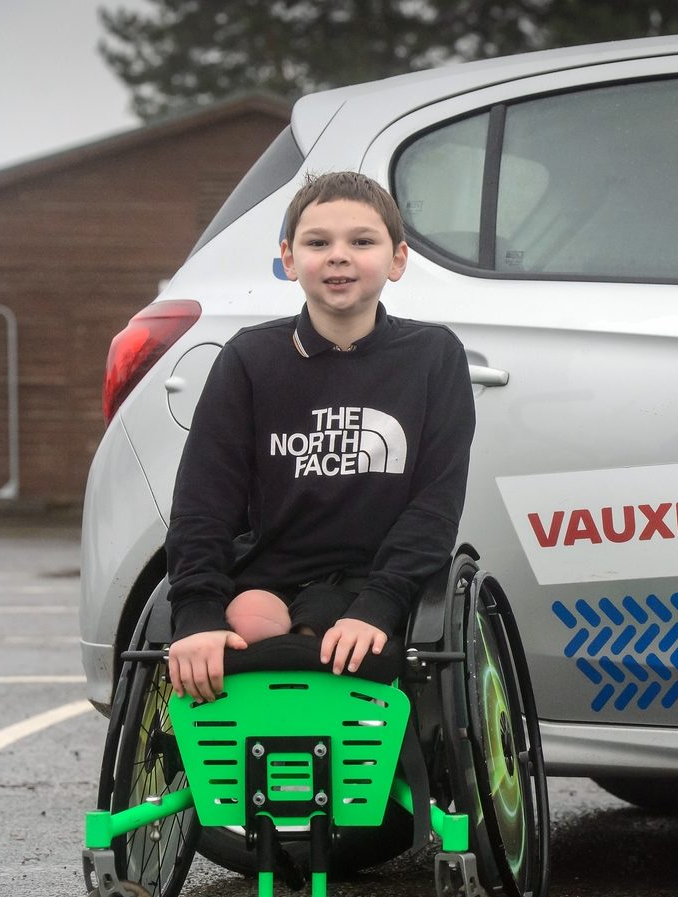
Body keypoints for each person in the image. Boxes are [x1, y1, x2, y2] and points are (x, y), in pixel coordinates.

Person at [163, 171, 476, 702]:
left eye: (362, 241)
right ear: (288, 259)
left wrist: (381, 603)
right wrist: (195, 611)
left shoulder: (432, 356)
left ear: (397, 260)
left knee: (334, 648)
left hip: (374, 578)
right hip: (267, 577)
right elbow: (203, 499)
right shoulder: (250, 357)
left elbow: (435, 504)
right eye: (317, 242)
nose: (338, 256)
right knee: (249, 634)